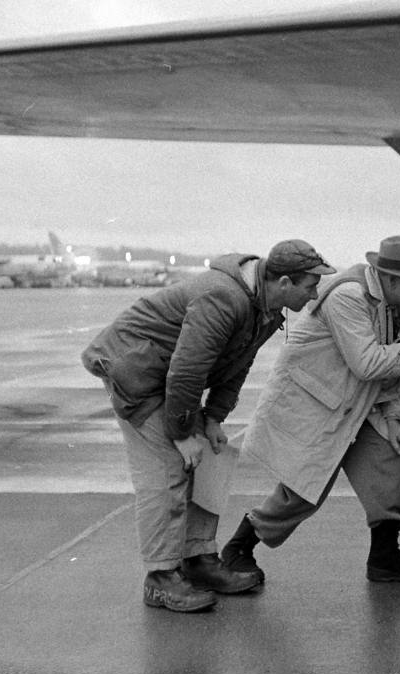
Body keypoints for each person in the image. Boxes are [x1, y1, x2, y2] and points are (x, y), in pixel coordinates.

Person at [82, 240, 336, 613]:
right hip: (134, 372)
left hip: (167, 376)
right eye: (309, 286)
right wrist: (183, 434)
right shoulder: (223, 297)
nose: (315, 293)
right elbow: (188, 368)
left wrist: (214, 418)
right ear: (283, 282)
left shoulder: (263, 306)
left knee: (212, 458)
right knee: (167, 471)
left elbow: (237, 364)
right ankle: (161, 577)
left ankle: (198, 559)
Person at [221, 235, 400, 585]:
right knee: (302, 491)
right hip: (316, 406)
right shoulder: (348, 296)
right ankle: (239, 548)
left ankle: (385, 557)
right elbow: (369, 364)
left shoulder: (395, 308)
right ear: (391, 279)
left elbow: (394, 372)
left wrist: (394, 419)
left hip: (356, 405)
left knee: (389, 460)